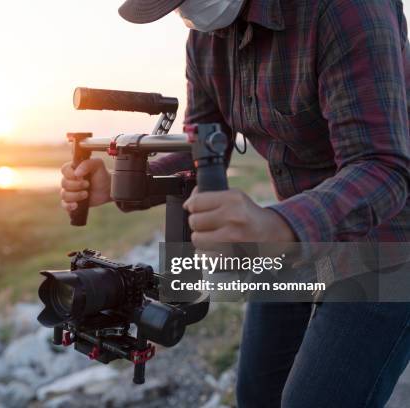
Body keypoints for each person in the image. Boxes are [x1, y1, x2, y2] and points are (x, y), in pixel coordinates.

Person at [60, 0, 410, 406]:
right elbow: (205, 146)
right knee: (257, 393)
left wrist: (279, 227)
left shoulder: (346, 9)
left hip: (388, 241)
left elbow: (382, 168)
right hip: (293, 229)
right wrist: (123, 183)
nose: (186, 14)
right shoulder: (206, 38)